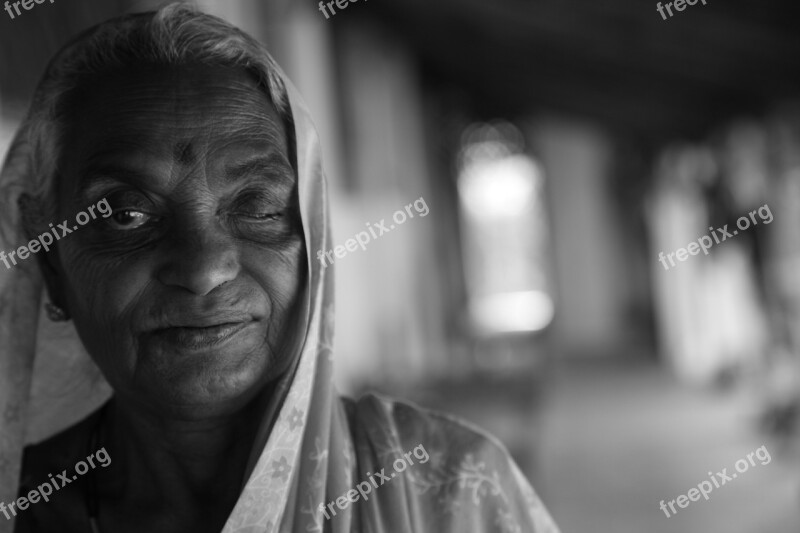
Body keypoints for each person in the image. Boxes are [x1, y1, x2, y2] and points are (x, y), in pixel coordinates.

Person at [0, 4, 561, 532]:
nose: (203, 269)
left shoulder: (451, 490)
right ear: (50, 259)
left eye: (260, 207)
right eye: (126, 214)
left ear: (313, 237)